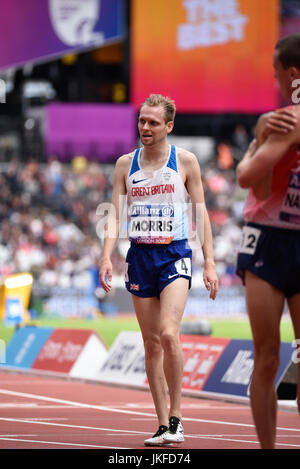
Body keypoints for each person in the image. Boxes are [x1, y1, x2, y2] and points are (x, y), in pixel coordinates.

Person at [99, 94, 218, 446]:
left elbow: (201, 213)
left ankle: (178, 417)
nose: (145, 127)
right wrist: (106, 256)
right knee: (151, 345)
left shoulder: (185, 162)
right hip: (139, 256)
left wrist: (209, 261)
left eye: (153, 122)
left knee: (168, 333)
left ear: (169, 126)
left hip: (174, 254)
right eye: (141, 121)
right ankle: (162, 423)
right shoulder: (124, 165)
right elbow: (114, 216)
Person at [236, 33, 300, 449]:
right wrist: (261, 137)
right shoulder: (285, 121)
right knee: (268, 355)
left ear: (291, 73)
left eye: (275, 71)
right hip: (267, 239)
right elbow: (250, 181)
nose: (273, 79)